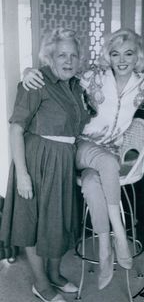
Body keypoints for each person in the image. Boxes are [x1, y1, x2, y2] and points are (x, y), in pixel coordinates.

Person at [21, 28, 144, 290]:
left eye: (129, 53)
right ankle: (119, 234)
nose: (122, 60)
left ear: (137, 57)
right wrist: (28, 70)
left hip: (109, 151)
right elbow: (58, 73)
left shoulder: (143, 84)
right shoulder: (94, 77)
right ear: (107, 56)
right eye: (115, 53)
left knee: (92, 184)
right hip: (82, 146)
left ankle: (105, 250)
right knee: (107, 164)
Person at [0, 28, 91, 302]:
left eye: (73, 55)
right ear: (50, 56)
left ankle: (54, 274)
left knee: (58, 221)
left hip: (63, 162)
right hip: (37, 161)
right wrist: (23, 175)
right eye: (61, 54)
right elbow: (16, 130)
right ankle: (41, 283)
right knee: (33, 222)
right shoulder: (36, 82)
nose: (68, 60)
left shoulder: (76, 85)